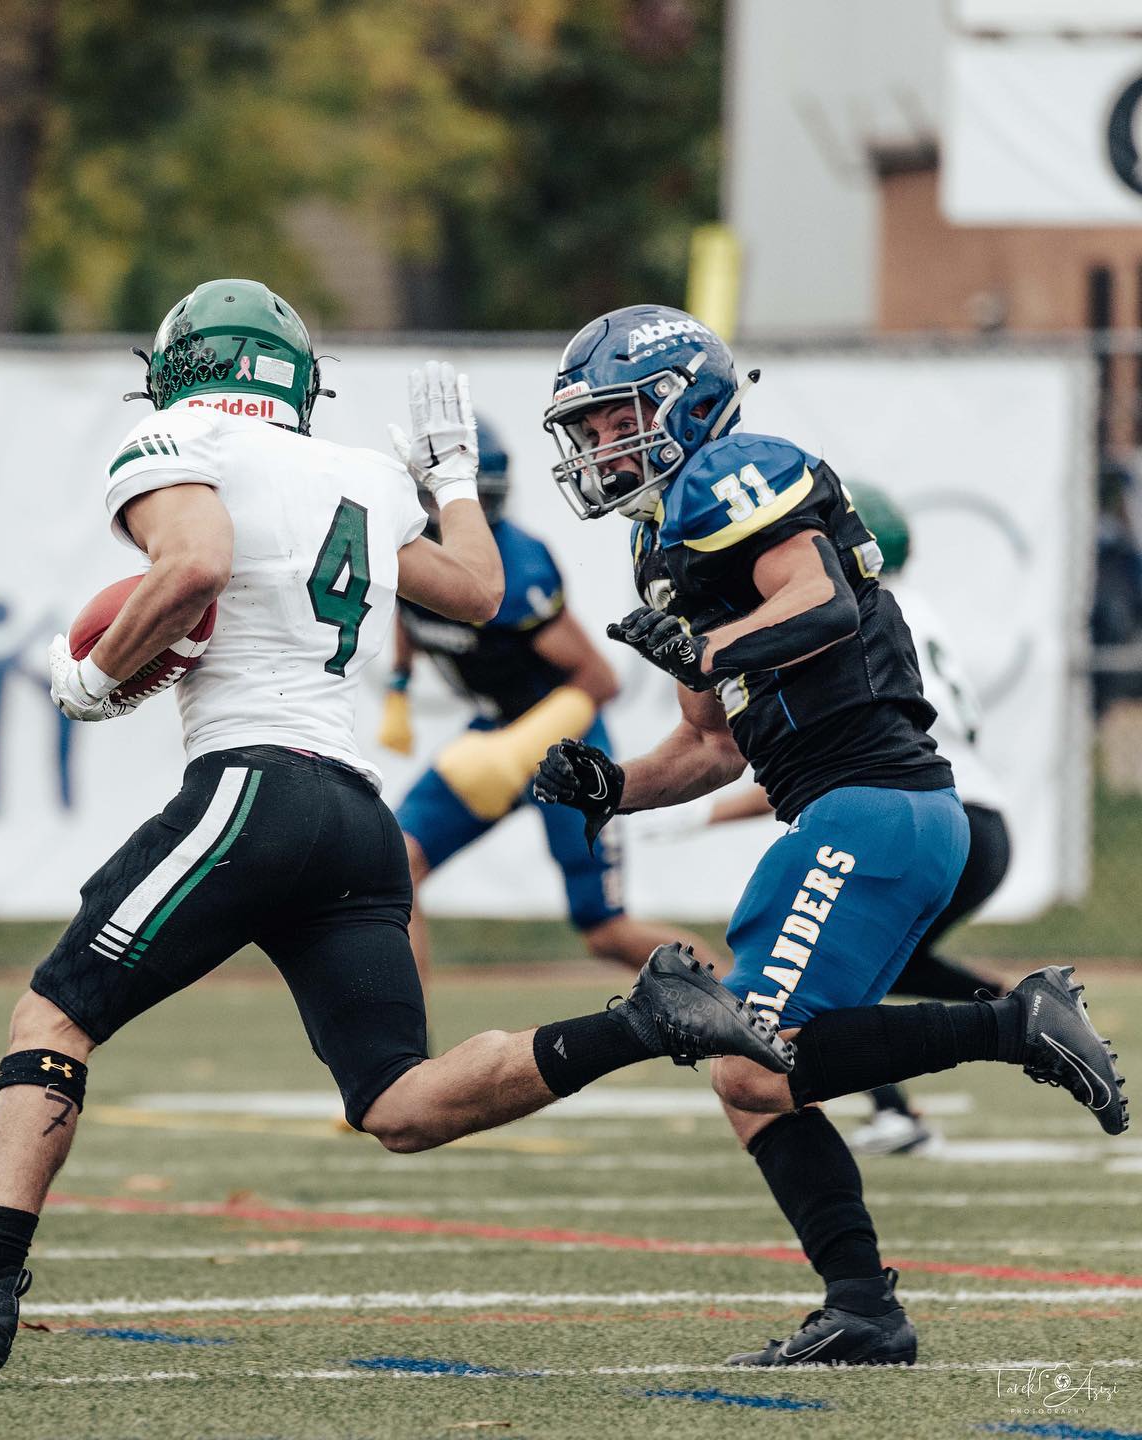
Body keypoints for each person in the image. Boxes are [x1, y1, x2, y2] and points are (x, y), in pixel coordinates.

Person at [0, 280, 791, 1381]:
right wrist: (453, 483)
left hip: (254, 785)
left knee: (56, 1009)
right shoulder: (366, 477)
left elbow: (192, 564)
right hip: (353, 819)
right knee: (398, 1103)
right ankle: (646, 1020)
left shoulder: (172, 436)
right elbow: (477, 589)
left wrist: (96, 678)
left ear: (184, 368)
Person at [531, 303, 1128, 1367]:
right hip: (853, 814)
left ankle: (1013, 1024)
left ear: (682, 403)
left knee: (759, 1053)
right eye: (590, 430)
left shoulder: (739, 470)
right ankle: (863, 1307)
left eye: (615, 420)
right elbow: (711, 748)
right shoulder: (661, 542)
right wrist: (610, 786)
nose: (601, 448)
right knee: (748, 1073)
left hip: (877, 806)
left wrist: (709, 649)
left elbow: (820, 604)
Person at [707, 481, 1010, 1155]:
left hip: (926, 808)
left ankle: (998, 1030)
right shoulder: (913, 610)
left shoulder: (864, 616)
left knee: (824, 974)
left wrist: (711, 811)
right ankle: (1006, 1008)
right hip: (970, 816)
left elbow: (859, 751)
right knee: (856, 970)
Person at [379, 415, 716, 986]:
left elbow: (598, 680)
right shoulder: (404, 551)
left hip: (567, 745)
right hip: (495, 728)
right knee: (393, 869)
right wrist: (399, 685)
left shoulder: (516, 567)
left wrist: (517, 750)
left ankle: (749, 1005)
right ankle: (411, 1062)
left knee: (604, 931)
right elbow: (413, 609)